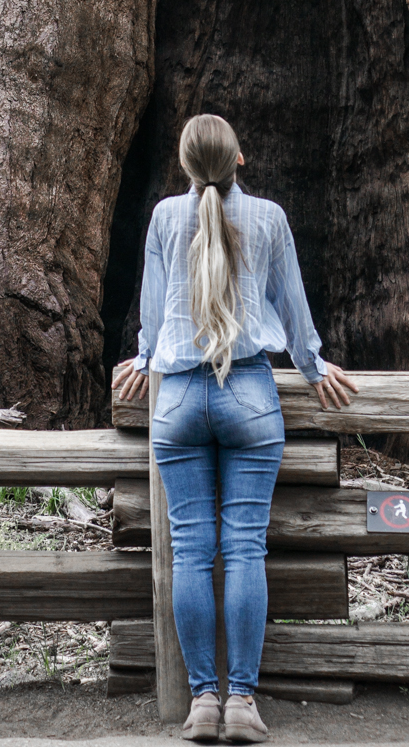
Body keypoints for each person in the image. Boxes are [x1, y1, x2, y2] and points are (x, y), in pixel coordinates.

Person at [116, 114, 357, 744]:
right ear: (239, 160)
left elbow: (152, 304)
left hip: (177, 402)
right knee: (245, 547)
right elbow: (293, 306)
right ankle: (243, 703)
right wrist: (313, 364)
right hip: (249, 392)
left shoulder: (167, 216)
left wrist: (145, 359)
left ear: (186, 166)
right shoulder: (269, 218)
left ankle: (202, 702)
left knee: (193, 553)